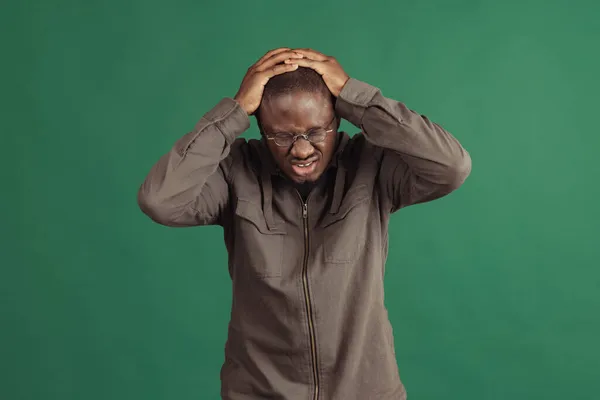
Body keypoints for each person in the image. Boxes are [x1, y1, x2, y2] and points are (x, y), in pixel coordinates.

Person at [137, 47, 472, 400]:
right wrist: (233, 113)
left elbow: (451, 167)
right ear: (261, 128)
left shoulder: (371, 167)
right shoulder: (236, 172)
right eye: (281, 136)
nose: (300, 150)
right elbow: (159, 200)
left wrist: (356, 97)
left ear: (338, 119)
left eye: (316, 132)